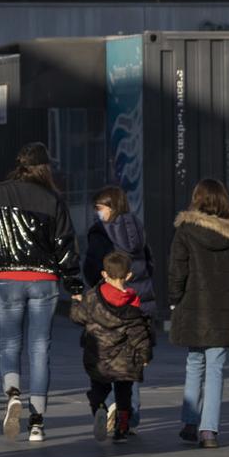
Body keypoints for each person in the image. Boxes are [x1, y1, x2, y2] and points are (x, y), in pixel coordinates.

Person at [0, 142, 81, 443]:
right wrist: (75, 284)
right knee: (40, 347)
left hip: (7, 276)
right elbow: (65, 245)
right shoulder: (52, 198)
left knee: (9, 341)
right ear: (45, 167)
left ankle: (13, 394)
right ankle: (37, 423)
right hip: (44, 278)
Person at [169, 178, 229, 449]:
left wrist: (174, 299)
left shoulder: (185, 230)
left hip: (192, 305)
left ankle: (190, 422)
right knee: (216, 368)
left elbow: (177, 269)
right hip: (222, 308)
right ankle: (209, 431)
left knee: (194, 362)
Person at [81, 185, 154, 432]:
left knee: (101, 374)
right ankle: (127, 418)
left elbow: (92, 267)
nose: (97, 213)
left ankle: (102, 407)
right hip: (137, 301)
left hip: (107, 304)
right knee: (128, 367)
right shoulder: (137, 227)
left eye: (99, 208)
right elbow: (149, 262)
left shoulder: (100, 232)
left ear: (109, 207)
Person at [70, 251, 155, 446]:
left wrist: (76, 302)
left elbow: (78, 317)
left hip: (97, 356)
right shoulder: (132, 304)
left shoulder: (92, 298)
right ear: (128, 276)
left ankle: (100, 408)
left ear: (104, 274)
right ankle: (121, 429)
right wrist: (144, 354)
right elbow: (139, 333)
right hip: (124, 361)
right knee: (124, 395)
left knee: (98, 390)